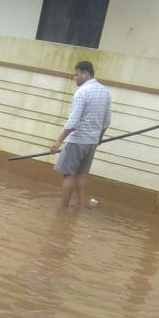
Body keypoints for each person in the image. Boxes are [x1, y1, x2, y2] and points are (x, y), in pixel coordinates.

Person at [49, 61, 111, 209]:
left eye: (77, 74)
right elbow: (107, 120)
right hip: (92, 142)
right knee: (81, 174)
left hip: (77, 140)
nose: (74, 77)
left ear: (85, 74)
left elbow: (73, 120)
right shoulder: (105, 92)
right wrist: (99, 138)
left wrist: (58, 141)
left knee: (68, 174)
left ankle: (63, 209)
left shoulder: (82, 92)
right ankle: (81, 204)